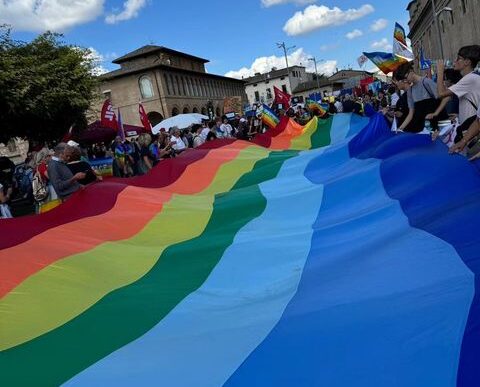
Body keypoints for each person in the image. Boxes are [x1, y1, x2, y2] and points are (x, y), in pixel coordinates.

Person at [435, 45, 480, 142]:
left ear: (467, 62)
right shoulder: (472, 77)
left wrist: (440, 72)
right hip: (469, 126)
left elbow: (440, 93)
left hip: (470, 130)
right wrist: (459, 116)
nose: (455, 61)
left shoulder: (470, 78)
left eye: (458, 58)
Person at [393, 61, 448, 133]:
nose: (405, 81)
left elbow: (445, 97)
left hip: (437, 124)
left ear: (411, 71)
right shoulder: (410, 90)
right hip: (424, 127)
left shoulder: (426, 82)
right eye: (403, 80)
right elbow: (411, 113)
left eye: (405, 78)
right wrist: (400, 128)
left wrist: (436, 113)